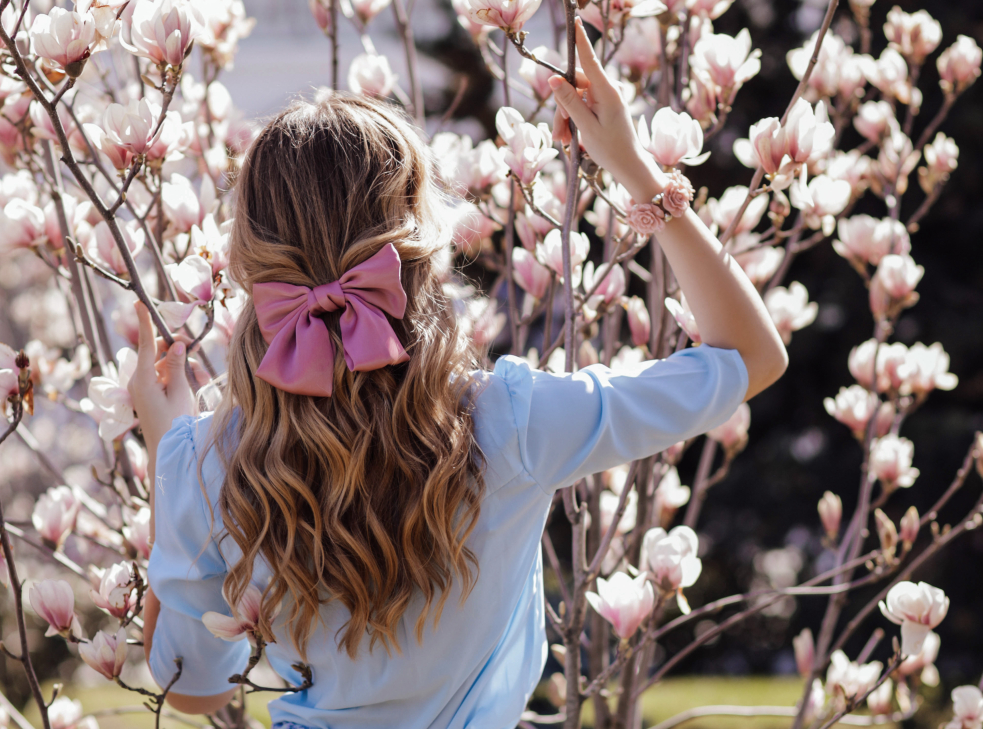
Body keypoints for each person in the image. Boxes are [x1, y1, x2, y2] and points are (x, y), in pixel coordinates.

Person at [133, 19, 787, 729]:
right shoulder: (514, 421)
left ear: (247, 260)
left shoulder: (202, 463)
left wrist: (172, 460)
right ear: (422, 247)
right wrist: (634, 168)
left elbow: (193, 688)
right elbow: (752, 356)